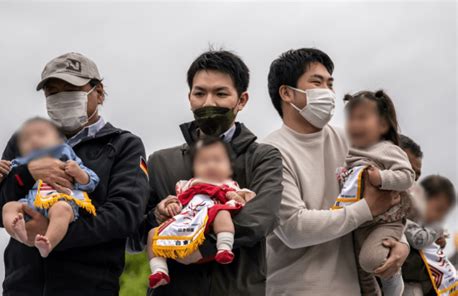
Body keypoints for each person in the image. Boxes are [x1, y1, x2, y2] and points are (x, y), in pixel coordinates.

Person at [0, 52, 149, 295]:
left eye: (71, 88)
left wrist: (51, 233)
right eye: (53, 92)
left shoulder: (123, 145)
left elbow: (125, 215)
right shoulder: (26, 140)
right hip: (21, 287)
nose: (61, 97)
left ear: (99, 92)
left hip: (89, 287)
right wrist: (27, 173)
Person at [263, 48, 410, 295]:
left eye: (330, 84)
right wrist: (366, 208)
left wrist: (400, 243)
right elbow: (293, 228)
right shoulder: (269, 152)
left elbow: (392, 198)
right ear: (287, 93)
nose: (328, 92)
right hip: (297, 288)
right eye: (317, 82)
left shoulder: (352, 141)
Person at [140, 50, 283, 296]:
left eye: (221, 93)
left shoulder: (263, 157)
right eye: (200, 93)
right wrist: (157, 215)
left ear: (242, 100)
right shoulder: (161, 161)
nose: (209, 103)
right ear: (189, 97)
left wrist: (192, 247)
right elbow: (136, 235)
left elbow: (259, 219)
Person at [332, 90, 415, 295]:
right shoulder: (347, 150)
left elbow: (407, 177)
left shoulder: (388, 149)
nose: (355, 124)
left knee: (370, 261)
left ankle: (394, 282)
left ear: (383, 124)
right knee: (362, 274)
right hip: (359, 222)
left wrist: (382, 178)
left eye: (363, 118)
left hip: (386, 221)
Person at [146, 137, 256, 288]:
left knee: (221, 212)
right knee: (153, 233)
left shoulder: (230, 186)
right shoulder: (186, 185)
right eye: (203, 161)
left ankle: (224, 247)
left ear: (230, 167)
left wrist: (236, 196)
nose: (210, 165)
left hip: (207, 232)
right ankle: (159, 271)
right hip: (187, 220)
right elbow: (178, 200)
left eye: (217, 160)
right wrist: (172, 205)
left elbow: (247, 201)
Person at [0, 117, 99, 258]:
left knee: (62, 210)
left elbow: (91, 181)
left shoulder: (67, 155)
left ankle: (48, 242)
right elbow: (3, 181)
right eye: (26, 139)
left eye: (41, 135)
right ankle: (18, 233)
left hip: (59, 200)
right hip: (29, 204)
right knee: (8, 207)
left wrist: (78, 173)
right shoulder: (22, 160)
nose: (33, 140)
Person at [402, 175, 457, 296]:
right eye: (439, 209)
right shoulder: (405, 216)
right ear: (422, 199)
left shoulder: (425, 224)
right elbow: (419, 241)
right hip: (408, 284)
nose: (440, 217)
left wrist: (438, 244)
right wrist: (436, 231)